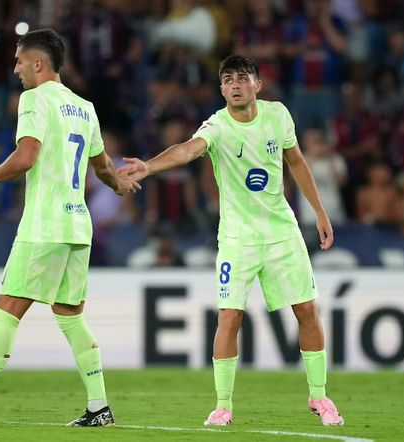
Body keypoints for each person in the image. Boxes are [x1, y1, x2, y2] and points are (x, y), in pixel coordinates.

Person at [0, 28, 140, 428]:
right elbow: (103, 165)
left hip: (45, 225)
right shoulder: (84, 107)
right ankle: (99, 408)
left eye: (19, 61)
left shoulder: (35, 99)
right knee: (70, 315)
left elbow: (26, 157)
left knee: (7, 311)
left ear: (38, 63)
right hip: (78, 226)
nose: (16, 69)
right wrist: (118, 185)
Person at [118, 55, 343, 426]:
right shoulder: (217, 126)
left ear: (257, 84)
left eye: (241, 78)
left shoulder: (278, 115)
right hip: (238, 238)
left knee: (306, 310)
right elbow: (188, 150)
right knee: (229, 316)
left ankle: (319, 397)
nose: (235, 85)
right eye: (227, 80)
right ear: (221, 89)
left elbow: (297, 162)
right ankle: (223, 405)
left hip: (281, 232)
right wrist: (149, 166)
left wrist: (319, 211)